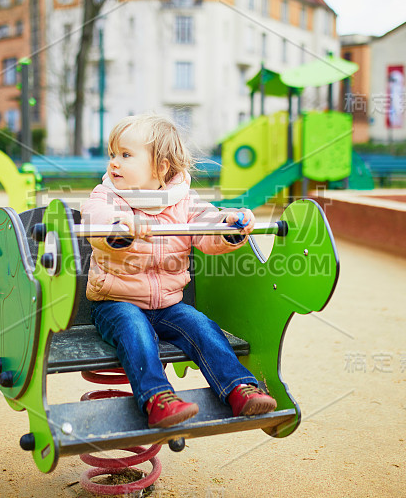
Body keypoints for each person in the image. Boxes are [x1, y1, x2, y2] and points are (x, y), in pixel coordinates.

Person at [80, 113, 277, 429]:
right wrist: (120, 228)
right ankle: (158, 399)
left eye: (126, 155)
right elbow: (96, 223)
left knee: (202, 327)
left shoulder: (183, 199)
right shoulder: (107, 196)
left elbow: (206, 227)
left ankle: (239, 388)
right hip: (116, 302)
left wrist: (229, 227)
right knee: (135, 331)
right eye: (112, 154)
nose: (113, 163)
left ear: (160, 167)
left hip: (168, 304)